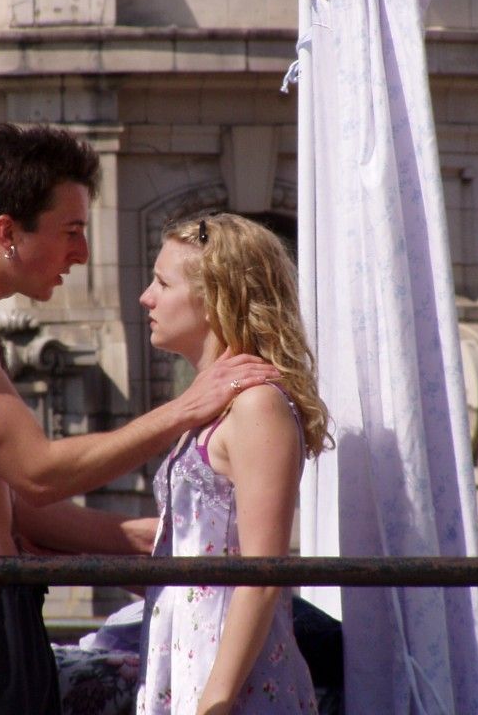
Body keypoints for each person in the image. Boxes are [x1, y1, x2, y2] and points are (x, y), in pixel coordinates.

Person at [0, 123, 278, 715]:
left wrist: (147, 539)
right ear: (8, 232)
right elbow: (39, 474)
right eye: (72, 232)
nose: (81, 254)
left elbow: (9, 502)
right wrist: (187, 406)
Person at [136, 214, 332, 715]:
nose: (146, 297)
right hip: (191, 662)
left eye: (162, 283)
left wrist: (215, 702)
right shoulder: (213, 408)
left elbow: (263, 572)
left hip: (233, 682)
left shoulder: (257, 405)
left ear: (215, 298)